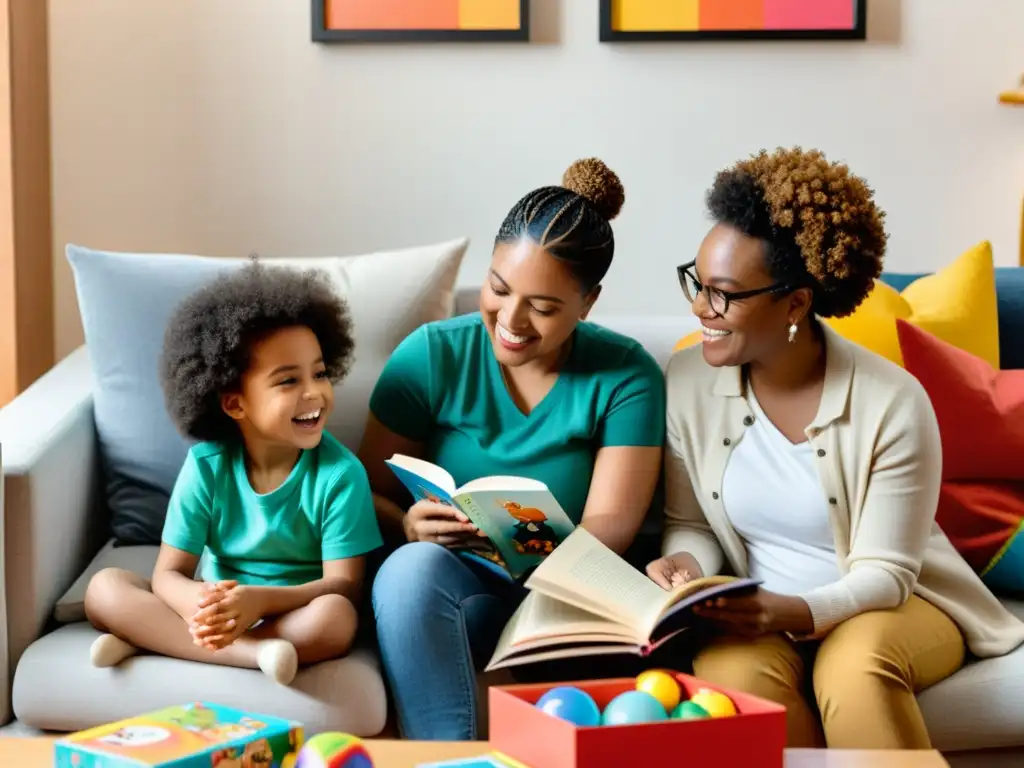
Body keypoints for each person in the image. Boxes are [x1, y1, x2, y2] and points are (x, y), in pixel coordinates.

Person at [645, 146, 1024, 749]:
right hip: (757, 608)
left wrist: (790, 610)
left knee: (854, 669)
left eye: (723, 294)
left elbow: (888, 573)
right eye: (696, 282)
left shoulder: (893, 402)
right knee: (732, 676)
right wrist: (687, 570)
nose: (699, 309)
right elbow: (691, 521)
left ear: (795, 303)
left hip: (897, 603)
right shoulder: (687, 381)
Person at [360, 158, 666, 740]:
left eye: (544, 308)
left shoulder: (627, 375)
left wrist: (526, 547)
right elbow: (362, 489)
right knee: (409, 570)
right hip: (453, 589)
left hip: (567, 592)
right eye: (499, 289)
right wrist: (407, 522)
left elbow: (612, 527)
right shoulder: (431, 355)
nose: (512, 320)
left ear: (588, 303)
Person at [84, 261, 383, 685]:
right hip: (216, 609)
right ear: (234, 404)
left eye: (319, 373)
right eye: (287, 381)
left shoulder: (340, 475)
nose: (314, 392)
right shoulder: (207, 466)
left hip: (289, 613)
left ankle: (156, 642)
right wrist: (199, 603)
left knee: (334, 620)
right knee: (104, 589)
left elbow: (343, 587)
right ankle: (254, 655)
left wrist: (259, 602)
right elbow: (168, 575)